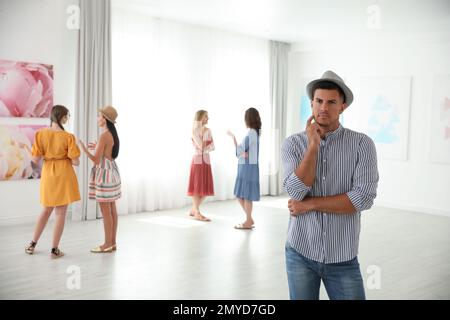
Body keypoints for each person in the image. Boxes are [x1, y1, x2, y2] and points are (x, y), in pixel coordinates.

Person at [282, 70, 379, 300]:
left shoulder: (362, 144)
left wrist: (310, 204)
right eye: (319, 101)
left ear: (342, 107)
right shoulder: (293, 144)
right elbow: (295, 192)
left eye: (331, 102)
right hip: (300, 252)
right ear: (312, 103)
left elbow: (363, 198)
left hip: (342, 257)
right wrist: (313, 147)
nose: (323, 107)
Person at [25, 105, 81, 259]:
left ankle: (32, 244)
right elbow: (76, 162)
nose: (67, 119)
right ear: (62, 117)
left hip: (48, 173)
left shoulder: (40, 134)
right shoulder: (68, 137)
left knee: (46, 210)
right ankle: (54, 250)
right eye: (67, 116)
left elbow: (35, 160)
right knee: (60, 213)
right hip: (64, 174)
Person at [79, 106, 121, 253]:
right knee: (112, 210)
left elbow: (96, 160)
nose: (97, 119)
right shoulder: (111, 134)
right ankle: (112, 242)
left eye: (99, 116)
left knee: (105, 211)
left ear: (105, 119)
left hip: (104, 175)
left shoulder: (104, 136)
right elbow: (108, 153)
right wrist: (97, 146)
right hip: (112, 172)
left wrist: (84, 149)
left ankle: (106, 244)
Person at [227, 108, 261, 229]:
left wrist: (234, 140)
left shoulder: (251, 133)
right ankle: (249, 219)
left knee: (245, 195)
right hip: (246, 167)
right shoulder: (254, 132)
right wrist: (239, 148)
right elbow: (241, 152)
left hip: (247, 168)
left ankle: (248, 220)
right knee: (241, 194)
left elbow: (240, 151)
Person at [187, 110, 215, 221]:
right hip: (197, 160)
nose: (208, 118)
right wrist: (206, 143)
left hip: (206, 160)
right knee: (196, 188)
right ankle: (197, 212)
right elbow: (202, 146)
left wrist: (205, 144)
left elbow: (213, 147)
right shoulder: (194, 130)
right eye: (206, 116)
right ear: (200, 118)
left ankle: (194, 209)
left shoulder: (208, 130)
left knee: (206, 188)